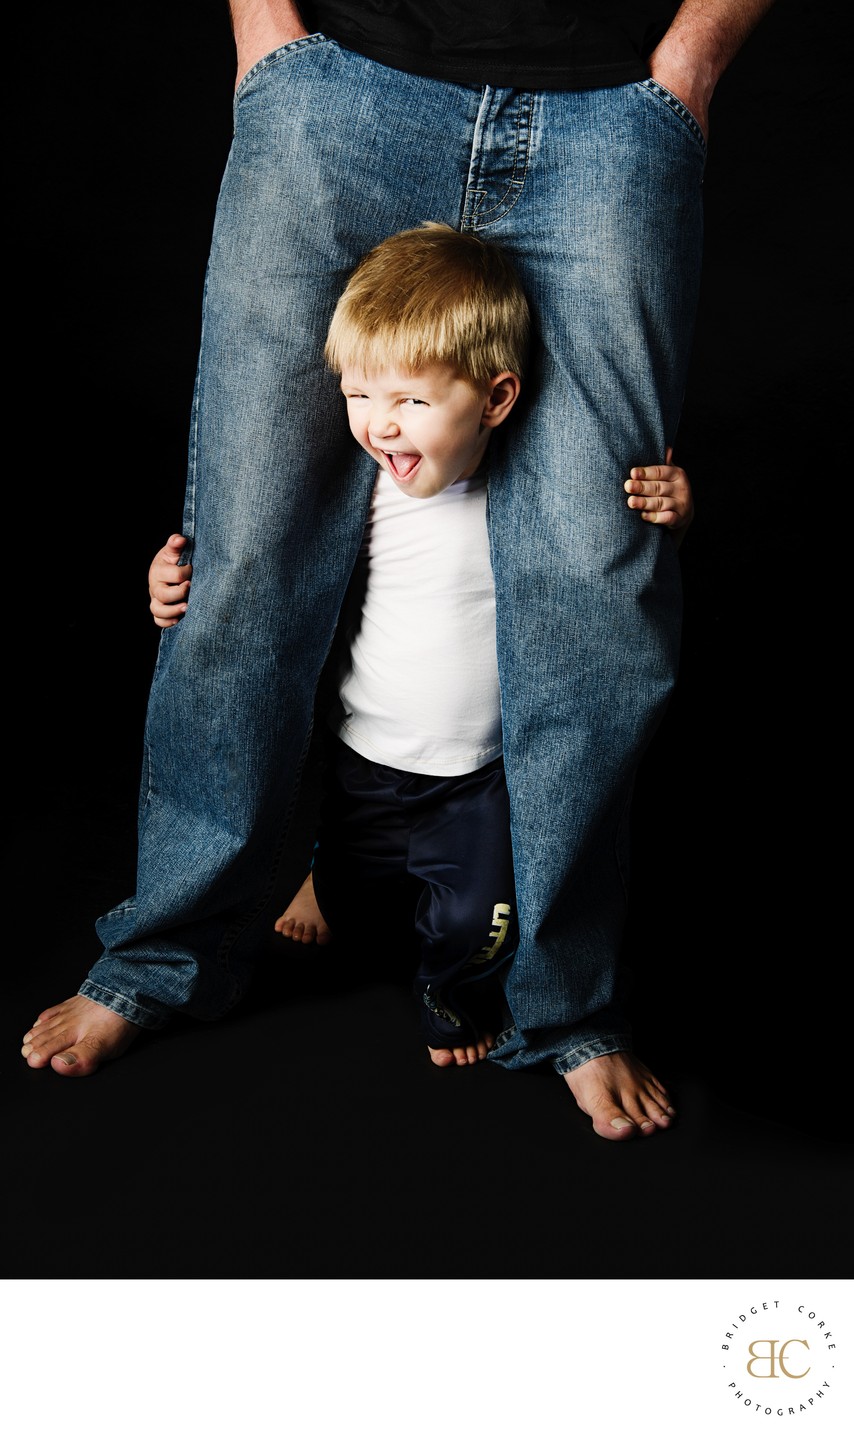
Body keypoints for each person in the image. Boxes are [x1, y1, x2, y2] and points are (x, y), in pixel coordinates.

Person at [22, 0, 774, 1141]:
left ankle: (565, 1005)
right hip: (343, 92)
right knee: (245, 564)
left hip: (607, 114)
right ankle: (160, 956)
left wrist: (686, 71)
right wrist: (265, 40)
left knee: (598, 582)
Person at [142, 223, 696, 1088]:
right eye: (359, 396)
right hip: (365, 751)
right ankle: (325, 884)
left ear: (497, 398)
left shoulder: (531, 490)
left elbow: (612, 563)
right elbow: (265, 570)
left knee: (476, 916)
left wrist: (673, 509)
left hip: (477, 773)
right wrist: (179, 586)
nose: (376, 426)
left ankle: (450, 992)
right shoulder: (364, 492)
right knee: (361, 880)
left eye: (410, 402)